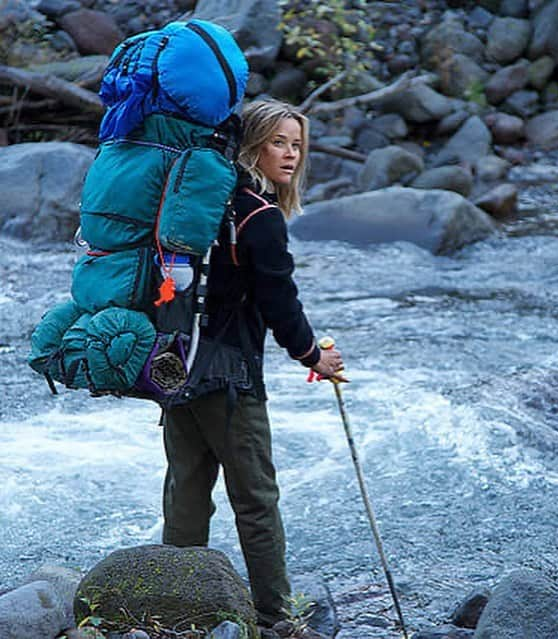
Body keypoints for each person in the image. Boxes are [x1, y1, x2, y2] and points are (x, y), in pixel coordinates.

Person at [161, 99, 345, 629]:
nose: (290, 154)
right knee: (257, 501)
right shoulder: (260, 219)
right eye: (279, 143)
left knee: (187, 491)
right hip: (230, 378)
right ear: (251, 147)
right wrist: (316, 356)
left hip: (175, 364)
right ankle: (276, 615)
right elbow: (279, 303)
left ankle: (178, 610)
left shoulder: (201, 206)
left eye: (297, 144)